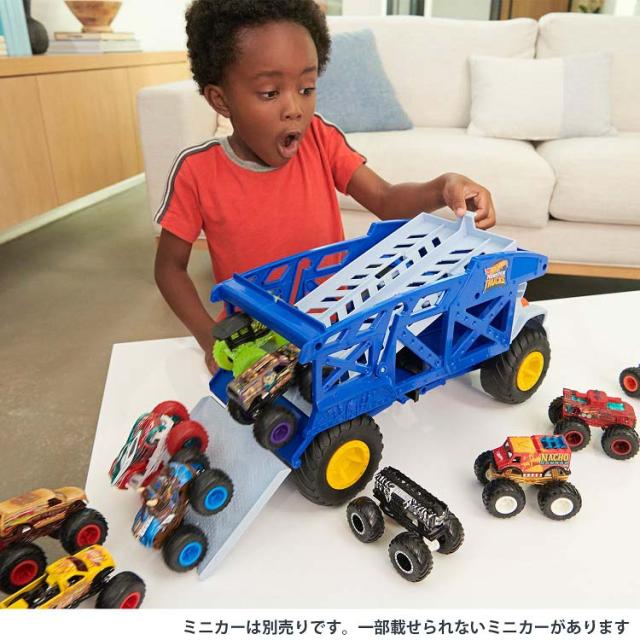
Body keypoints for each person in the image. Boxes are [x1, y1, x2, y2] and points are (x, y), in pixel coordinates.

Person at [154, 0, 496, 374]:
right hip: (255, 336)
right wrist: (211, 340)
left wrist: (442, 186)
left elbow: (385, 199)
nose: (295, 108)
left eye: (306, 87)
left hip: (332, 323)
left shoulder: (320, 139)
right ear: (221, 99)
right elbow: (170, 269)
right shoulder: (196, 172)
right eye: (270, 92)